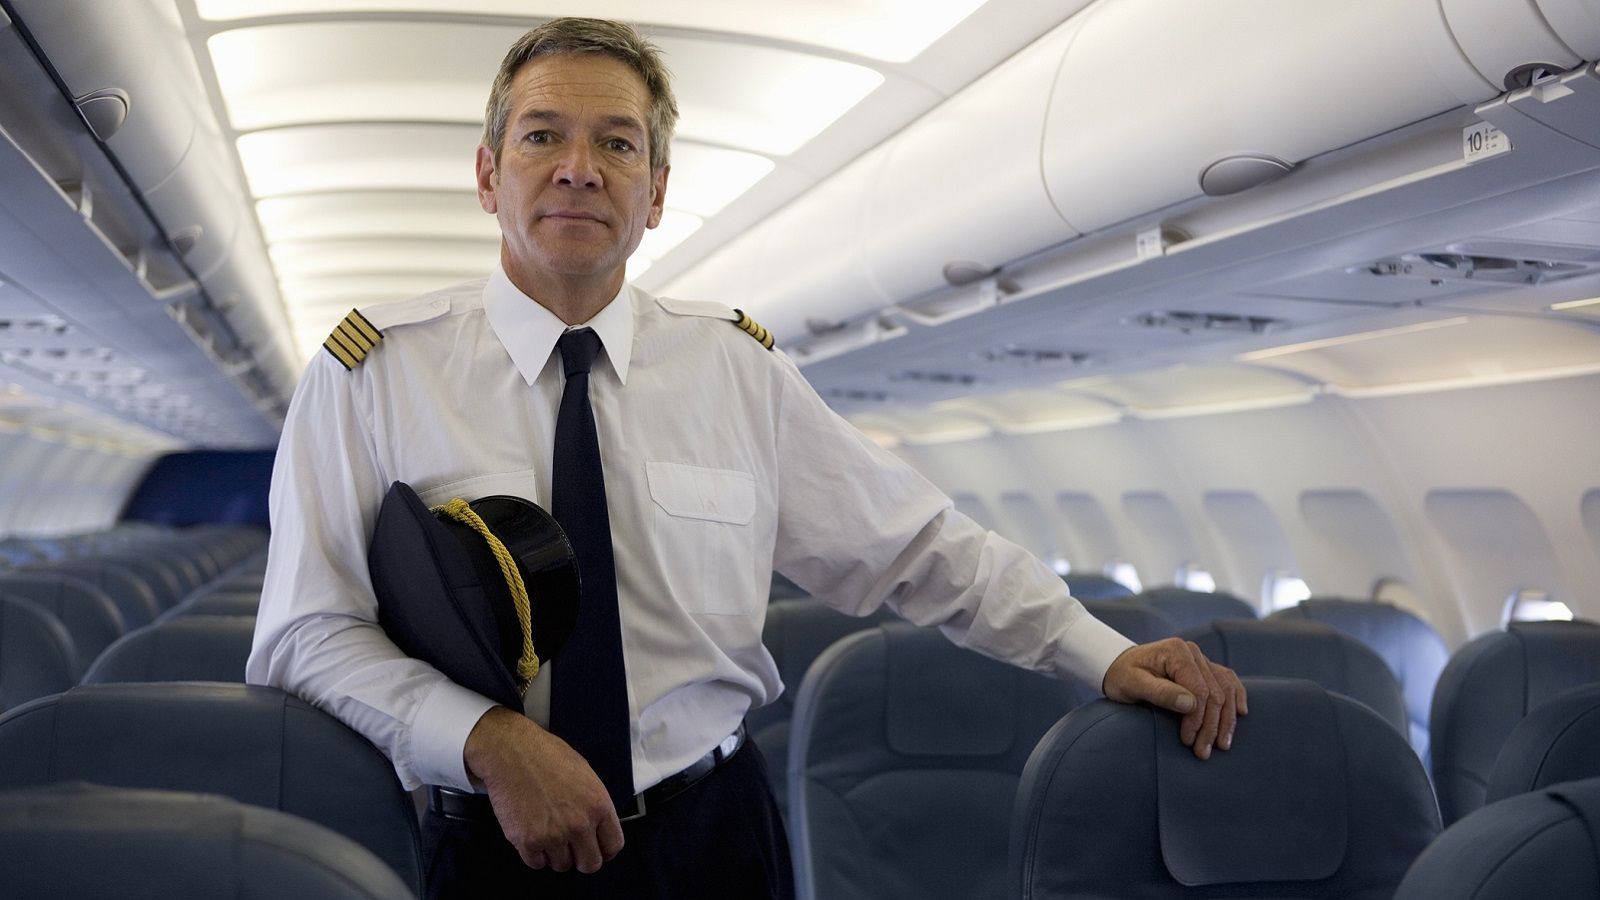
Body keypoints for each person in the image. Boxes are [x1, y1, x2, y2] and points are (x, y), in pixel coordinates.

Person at [247, 16, 1247, 900]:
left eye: (617, 143)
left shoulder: (736, 368)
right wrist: (487, 742)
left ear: (657, 192)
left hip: (710, 835)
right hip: (484, 838)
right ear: (486, 173)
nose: (578, 167)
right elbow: (303, 634)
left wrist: (1099, 652)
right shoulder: (372, 371)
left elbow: (918, 548)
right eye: (543, 135)